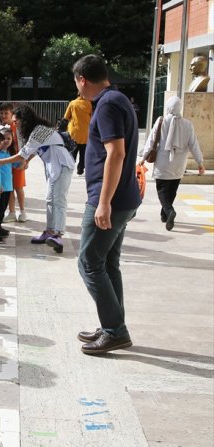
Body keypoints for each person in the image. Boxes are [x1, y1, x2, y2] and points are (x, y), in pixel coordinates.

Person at [72, 54, 142, 355]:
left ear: (82, 80)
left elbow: (116, 153)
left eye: (76, 82)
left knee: (88, 262)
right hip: (123, 199)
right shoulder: (117, 100)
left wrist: (103, 203)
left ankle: (115, 330)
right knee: (107, 262)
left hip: (110, 200)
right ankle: (112, 324)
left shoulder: (107, 105)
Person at [0, 105, 74, 253]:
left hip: (61, 164)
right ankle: (49, 231)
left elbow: (23, 153)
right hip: (53, 166)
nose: (14, 124)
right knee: (50, 200)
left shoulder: (38, 130)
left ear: (24, 120)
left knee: (59, 200)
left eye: (16, 121)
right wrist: (27, 161)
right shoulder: (37, 131)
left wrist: (0, 162)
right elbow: (36, 149)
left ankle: (58, 234)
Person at [138, 96, 205, 231]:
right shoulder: (188, 124)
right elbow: (194, 145)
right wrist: (200, 162)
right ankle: (164, 215)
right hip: (179, 164)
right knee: (172, 190)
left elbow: (151, 141)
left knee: (162, 190)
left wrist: (143, 157)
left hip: (163, 162)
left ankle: (169, 211)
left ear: (168, 107)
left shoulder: (161, 121)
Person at [62, 94, 92, 176]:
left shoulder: (73, 103)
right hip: (86, 133)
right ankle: (80, 170)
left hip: (74, 132)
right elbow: (92, 117)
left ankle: (69, 168)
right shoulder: (89, 104)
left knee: (72, 153)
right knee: (83, 153)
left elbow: (66, 117)